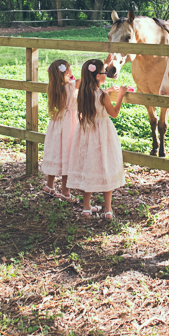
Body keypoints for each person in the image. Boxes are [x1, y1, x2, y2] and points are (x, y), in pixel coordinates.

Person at [67, 58, 130, 220]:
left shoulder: (82, 93)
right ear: (97, 77)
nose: (105, 74)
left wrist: (107, 92)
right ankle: (107, 209)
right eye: (103, 72)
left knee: (87, 166)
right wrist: (121, 95)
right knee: (105, 166)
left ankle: (86, 208)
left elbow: (94, 102)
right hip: (102, 135)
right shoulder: (102, 95)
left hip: (86, 134)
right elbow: (114, 113)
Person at [41, 59, 78, 201]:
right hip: (69, 124)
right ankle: (65, 192)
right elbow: (88, 79)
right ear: (67, 72)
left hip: (57, 123)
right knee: (67, 155)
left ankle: (50, 186)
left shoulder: (54, 87)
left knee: (57, 153)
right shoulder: (71, 86)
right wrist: (104, 64)